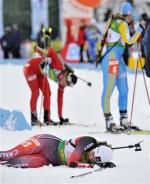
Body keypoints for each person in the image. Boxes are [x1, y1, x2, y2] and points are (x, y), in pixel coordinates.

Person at [99, 2, 146, 132]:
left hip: (118, 59)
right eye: (132, 15)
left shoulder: (116, 20)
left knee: (124, 90)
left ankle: (123, 119)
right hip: (112, 59)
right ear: (129, 14)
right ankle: (108, 120)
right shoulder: (122, 23)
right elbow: (129, 42)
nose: (133, 18)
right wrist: (140, 29)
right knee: (109, 89)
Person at [23, 46, 77, 126]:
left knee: (47, 93)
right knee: (36, 92)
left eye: (68, 85)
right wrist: (45, 57)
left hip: (40, 73)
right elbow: (51, 50)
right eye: (67, 82)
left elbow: (60, 99)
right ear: (66, 74)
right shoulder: (59, 66)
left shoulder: (62, 83)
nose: (66, 85)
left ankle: (46, 119)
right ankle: (34, 119)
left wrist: (61, 117)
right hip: (30, 68)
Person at [0, 134, 115, 168]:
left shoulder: (93, 159)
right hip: (45, 143)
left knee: (11, 163)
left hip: (47, 159)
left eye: (95, 159)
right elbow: (72, 162)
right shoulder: (89, 141)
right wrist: (89, 166)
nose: (91, 158)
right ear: (95, 148)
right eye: (93, 154)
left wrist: (104, 164)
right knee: (7, 155)